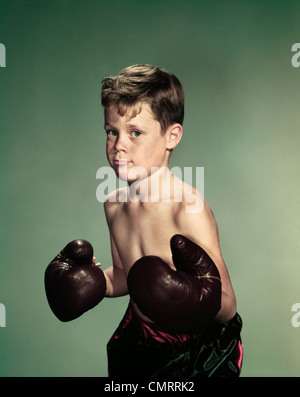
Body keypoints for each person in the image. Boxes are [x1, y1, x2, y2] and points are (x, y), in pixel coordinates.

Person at [44, 64, 243, 377]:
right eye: (112, 132)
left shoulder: (187, 207)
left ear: (171, 136)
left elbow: (227, 304)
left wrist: (185, 299)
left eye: (135, 132)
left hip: (196, 352)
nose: (119, 145)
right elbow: (126, 275)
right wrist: (93, 284)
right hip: (139, 341)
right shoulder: (114, 205)